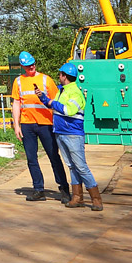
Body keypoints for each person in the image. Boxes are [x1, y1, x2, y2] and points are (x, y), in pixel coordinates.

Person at [36, 63, 101, 211]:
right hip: (61, 133)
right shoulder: (63, 91)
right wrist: (43, 98)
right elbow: (53, 105)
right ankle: (77, 197)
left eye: (60, 74)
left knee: (81, 167)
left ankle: (96, 199)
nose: (58, 76)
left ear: (64, 76)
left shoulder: (75, 93)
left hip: (73, 134)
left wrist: (52, 102)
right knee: (72, 166)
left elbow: (68, 110)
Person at [11, 50, 71, 202]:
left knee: (54, 157)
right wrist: (16, 125)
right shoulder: (18, 81)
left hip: (45, 123)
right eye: (28, 66)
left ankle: (64, 189)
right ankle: (38, 189)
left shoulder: (46, 80)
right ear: (22, 66)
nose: (31, 67)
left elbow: (57, 101)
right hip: (27, 124)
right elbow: (16, 103)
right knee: (31, 158)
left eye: (32, 64)